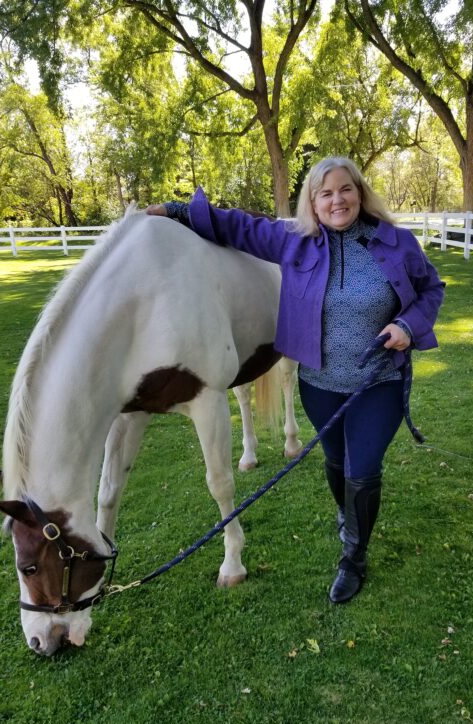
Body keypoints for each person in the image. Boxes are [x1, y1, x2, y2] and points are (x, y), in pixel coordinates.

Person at [146, 156, 445, 604]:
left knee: (362, 469)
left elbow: (431, 289)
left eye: (345, 189)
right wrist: (177, 210)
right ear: (313, 202)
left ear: (360, 192)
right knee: (336, 462)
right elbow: (239, 227)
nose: (337, 200)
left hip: (378, 381)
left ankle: (353, 557)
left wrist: (408, 325)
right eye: (325, 193)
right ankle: (349, 516)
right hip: (320, 385)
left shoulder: (396, 242)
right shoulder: (297, 243)